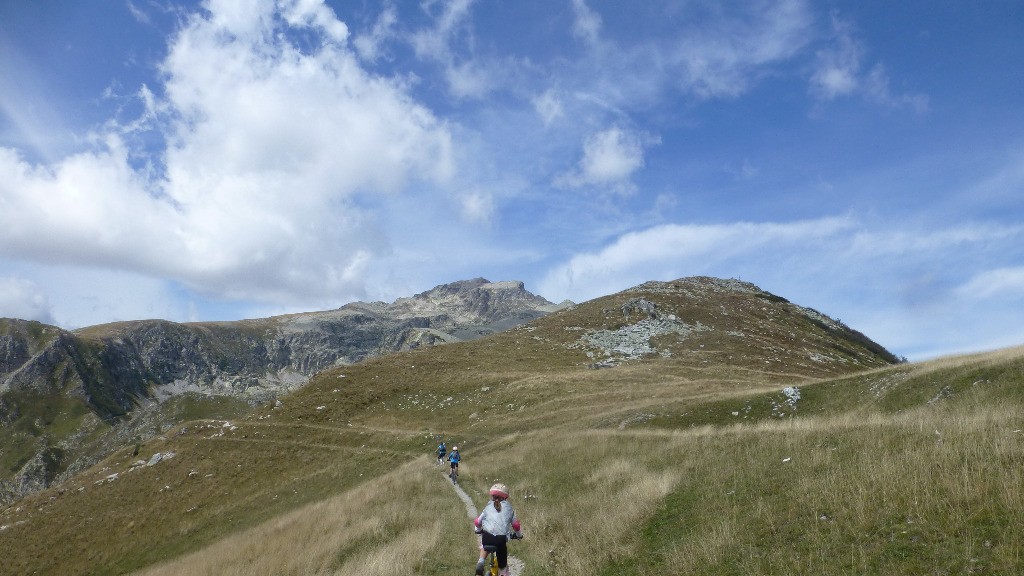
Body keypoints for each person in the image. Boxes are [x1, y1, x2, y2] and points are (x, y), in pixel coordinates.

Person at [473, 482, 522, 576]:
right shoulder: (508, 508)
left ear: (492, 496)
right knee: (503, 564)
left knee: (485, 545)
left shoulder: (488, 506)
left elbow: (477, 522)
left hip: (487, 537)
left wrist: (478, 530)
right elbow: (516, 525)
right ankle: (503, 572)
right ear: (505, 497)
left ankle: (481, 562)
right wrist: (519, 535)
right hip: (500, 539)